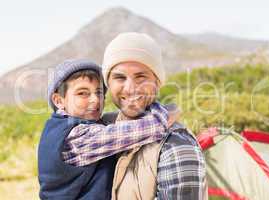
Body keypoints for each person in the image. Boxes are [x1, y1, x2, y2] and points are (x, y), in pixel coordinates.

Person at [38, 59, 177, 200]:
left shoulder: (57, 127)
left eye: (99, 93)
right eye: (82, 93)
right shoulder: (78, 137)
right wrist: (168, 110)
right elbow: (154, 126)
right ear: (59, 101)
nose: (95, 100)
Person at [101, 32, 208, 200]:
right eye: (119, 77)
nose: (130, 88)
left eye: (141, 77)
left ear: (157, 82)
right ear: (108, 84)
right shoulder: (101, 130)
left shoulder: (177, 146)